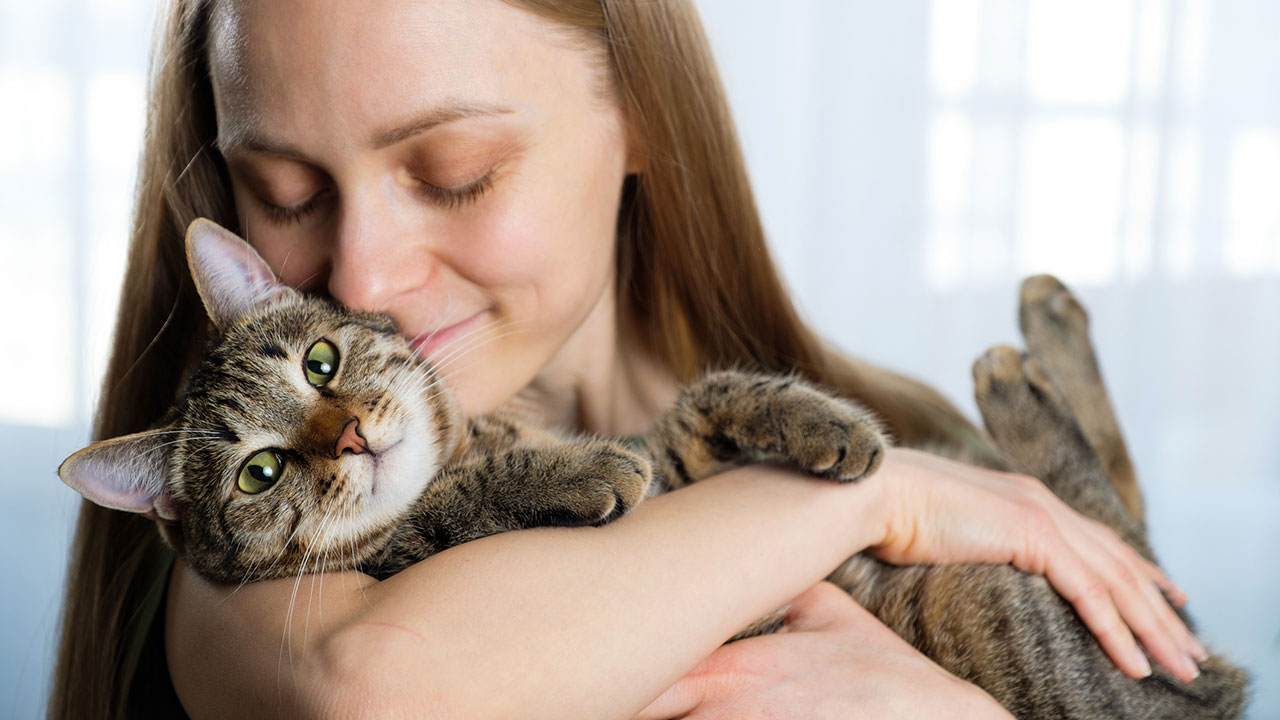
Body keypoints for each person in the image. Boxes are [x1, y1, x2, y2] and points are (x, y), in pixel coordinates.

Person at [51, 0, 1205, 718]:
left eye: (453, 170)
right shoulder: (253, 566)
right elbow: (378, 694)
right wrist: (871, 499)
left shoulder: (920, 436)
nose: (359, 281)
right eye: (285, 191)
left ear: (644, 115)